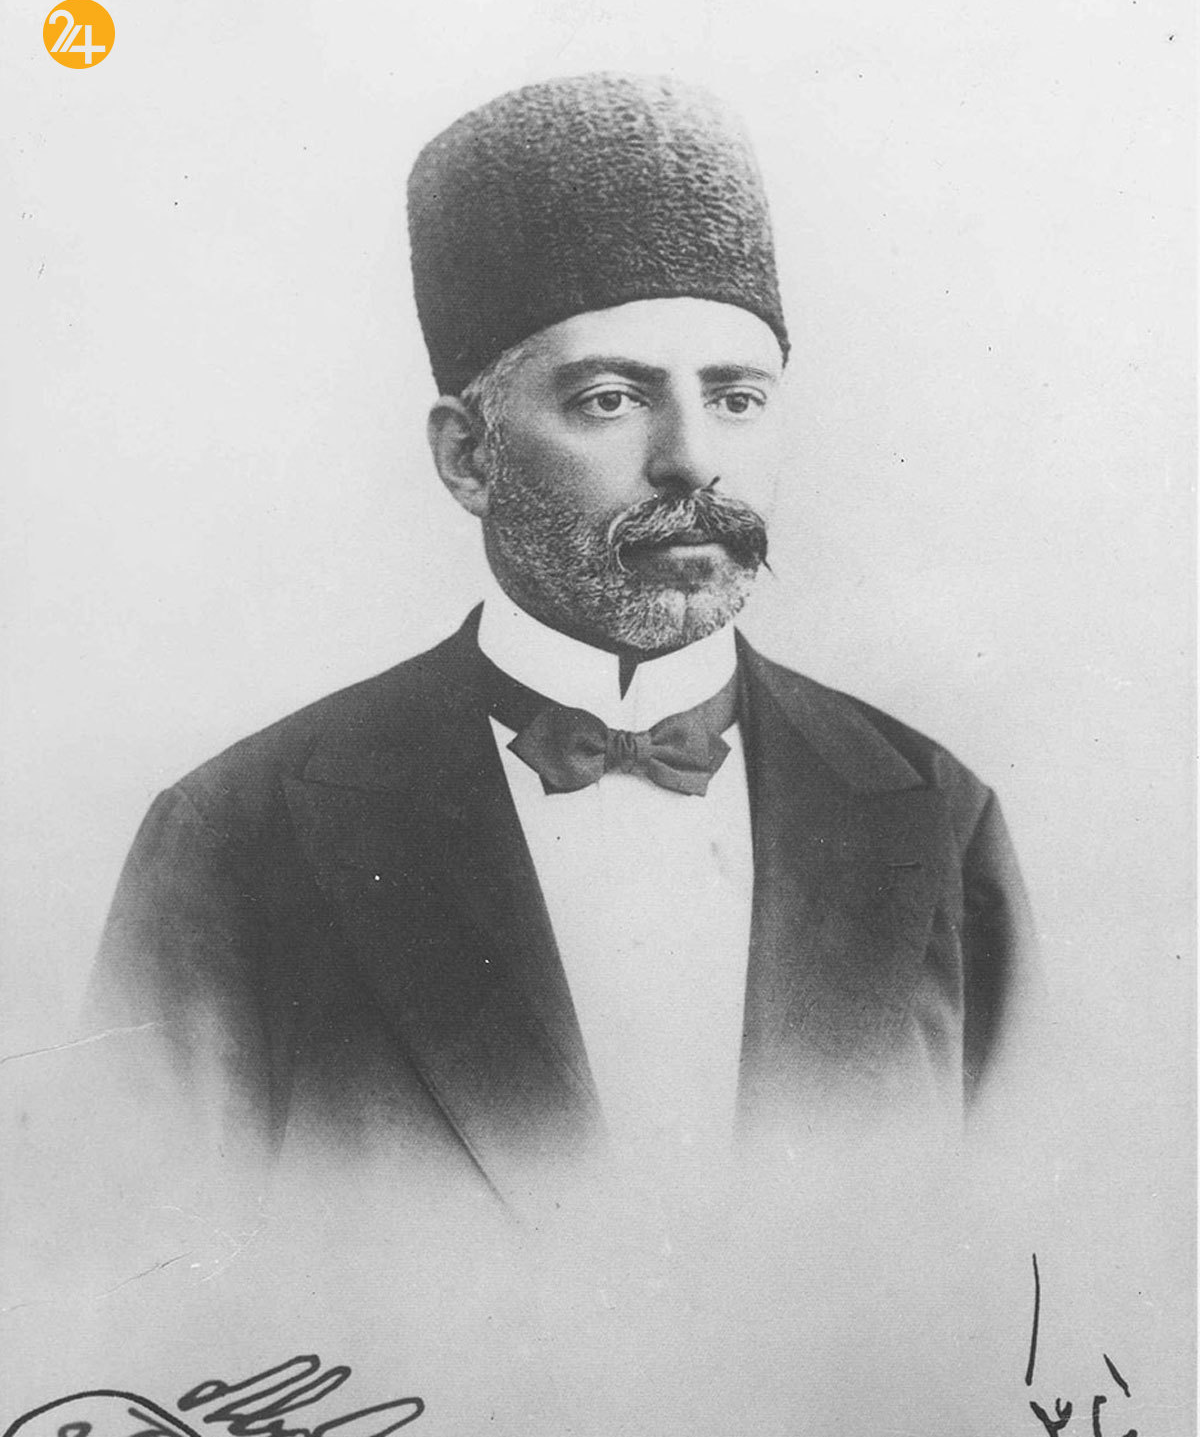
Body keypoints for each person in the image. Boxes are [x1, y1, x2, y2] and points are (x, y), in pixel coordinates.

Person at [88, 74, 1038, 1202]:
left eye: (737, 397)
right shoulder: (238, 841)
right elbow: (140, 1273)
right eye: (610, 399)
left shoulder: (934, 813)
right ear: (468, 457)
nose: (693, 461)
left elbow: (1018, 1256)